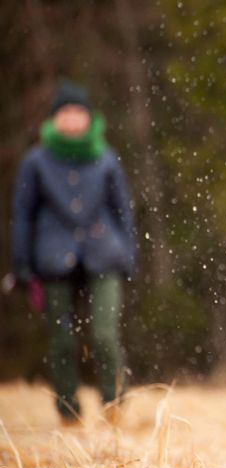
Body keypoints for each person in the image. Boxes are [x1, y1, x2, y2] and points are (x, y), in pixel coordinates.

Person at [10, 80, 136, 425]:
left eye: (78, 112)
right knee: (62, 341)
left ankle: (114, 404)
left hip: (104, 255)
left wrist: (128, 255)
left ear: (89, 117)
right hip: (52, 261)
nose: (72, 119)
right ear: (54, 119)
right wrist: (21, 264)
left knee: (105, 334)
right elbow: (23, 215)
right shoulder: (36, 162)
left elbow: (123, 210)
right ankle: (68, 411)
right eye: (65, 112)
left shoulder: (106, 157)